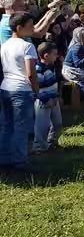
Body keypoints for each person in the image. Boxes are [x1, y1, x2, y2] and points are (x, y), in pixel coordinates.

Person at [0, 13, 38, 170]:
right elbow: (30, 73)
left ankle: (4, 159)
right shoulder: (27, 46)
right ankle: (20, 162)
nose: (33, 28)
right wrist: (36, 90)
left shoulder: (5, 44)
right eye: (30, 25)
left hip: (5, 87)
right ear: (19, 27)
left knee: (6, 125)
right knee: (21, 127)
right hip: (22, 89)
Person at [33, 42, 62, 152]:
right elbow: (38, 89)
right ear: (46, 55)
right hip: (43, 101)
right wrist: (46, 99)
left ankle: (51, 142)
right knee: (42, 126)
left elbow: (53, 84)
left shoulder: (51, 66)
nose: (56, 56)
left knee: (57, 123)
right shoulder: (39, 69)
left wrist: (57, 96)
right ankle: (39, 147)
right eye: (54, 54)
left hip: (54, 99)